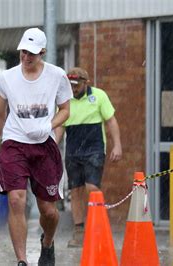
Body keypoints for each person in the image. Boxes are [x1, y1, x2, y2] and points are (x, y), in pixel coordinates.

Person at [0, 27, 72, 266]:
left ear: (43, 52)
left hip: (44, 146)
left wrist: (49, 124)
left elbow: (66, 110)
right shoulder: (6, 78)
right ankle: (22, 260)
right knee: (16, 199)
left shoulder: (57, 76)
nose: (26, 57)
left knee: (48, 211)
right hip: (14, 143)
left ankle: (48, 243)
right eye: (23, 52)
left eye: (32, 53)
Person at [55, 67, 122, 248]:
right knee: (75, 191)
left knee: (92, 187)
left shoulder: (99, 96)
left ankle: (97, 227)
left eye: (76, 85)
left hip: (94, 149)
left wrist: (117, 145)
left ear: (86, 82)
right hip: (73, 150)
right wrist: (52, 148)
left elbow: (111, 121)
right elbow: (60, 126)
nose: (73, 89)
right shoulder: (65, 100)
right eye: (70, 85)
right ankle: (79, 231)